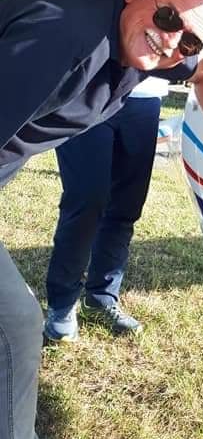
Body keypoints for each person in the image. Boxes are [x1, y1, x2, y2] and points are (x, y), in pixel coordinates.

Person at [0, 0, 203, 439]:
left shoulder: (148, 44)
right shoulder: (65, 38)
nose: (172, 43)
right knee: (15, 323)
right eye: (168, 19)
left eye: (187, 38)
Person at [44, 75, 169, 342]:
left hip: (144, 97)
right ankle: (62, 304)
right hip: (87, 91)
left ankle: (101, 298)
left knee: (127, 206)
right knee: (87, 201)